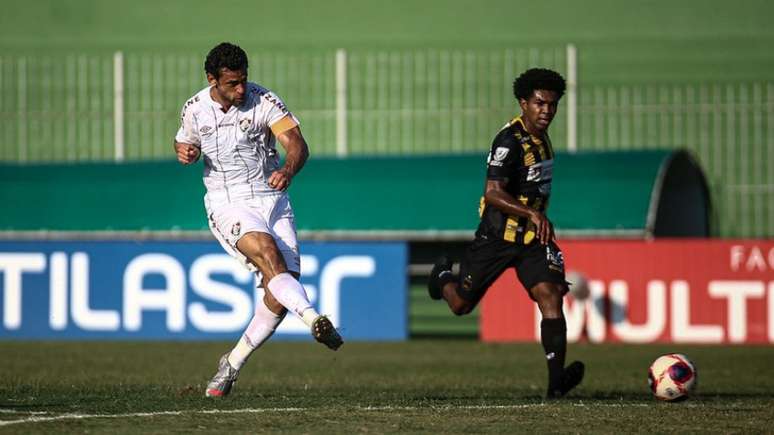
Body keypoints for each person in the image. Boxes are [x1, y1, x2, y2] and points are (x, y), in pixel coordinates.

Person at [174, 42, 343, 398]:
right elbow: (183, 144)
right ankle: (314, 319)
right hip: (228, 202)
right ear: (212, 80)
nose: (241, 89)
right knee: (269, 255)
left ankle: (231, 364)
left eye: (244, 81)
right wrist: (185, 152)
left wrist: (288, 168)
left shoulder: (264, 100)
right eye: (232, 83)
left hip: (272, 197)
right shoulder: (194, 109)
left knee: (280, 293)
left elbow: (297, 143)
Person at [427, 68, 584, 399]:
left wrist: (534, 218)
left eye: (552, 105)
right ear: (523, 103)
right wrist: (531, 212)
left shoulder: (542, 139)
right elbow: (492, 192)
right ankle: (442, 275)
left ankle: (557, 384)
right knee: (460, 305)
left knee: (551, 294)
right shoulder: (509, 141)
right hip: (497, 238)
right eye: (540, 103)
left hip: (531, 240)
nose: (546, 111)